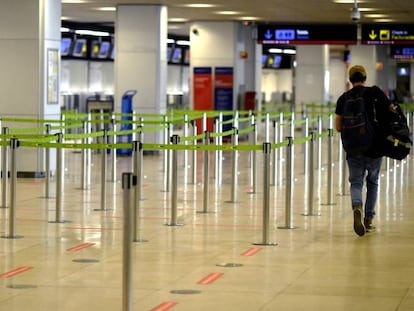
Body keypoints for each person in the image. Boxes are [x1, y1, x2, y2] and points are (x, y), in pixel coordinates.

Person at [335, 65, 396, 237]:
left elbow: (339, 127)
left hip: (352, 148)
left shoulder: (343, 98)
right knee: (373, 182)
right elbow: (391, 111)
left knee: (355, 182)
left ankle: (357, 206)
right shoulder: (374, 92)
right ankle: (368, 220)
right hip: (374, 147)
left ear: (350, 79)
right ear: (365, 77)